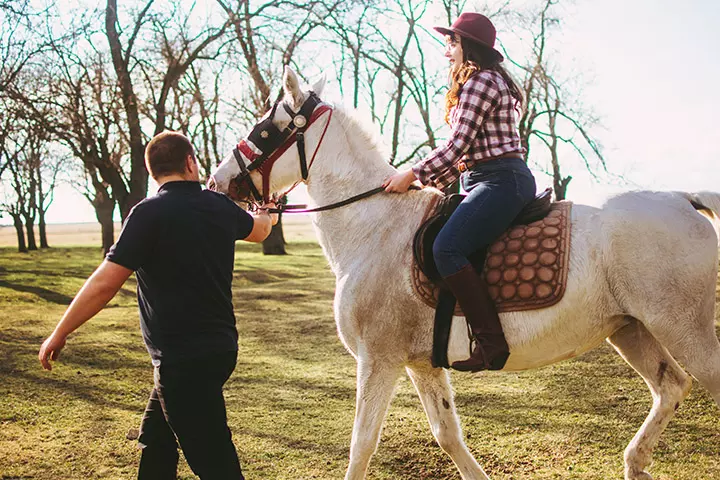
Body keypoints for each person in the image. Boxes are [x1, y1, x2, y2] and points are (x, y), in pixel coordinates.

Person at [38, 131, 278, 479]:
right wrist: (267, 212)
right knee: (157, 441)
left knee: (216, 465)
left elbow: (106, 282)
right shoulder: (218, 205)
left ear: (153, 173)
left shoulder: (148, 213)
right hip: (219, 351)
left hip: (181, 362)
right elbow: (260, 230)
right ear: (190, 163)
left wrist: (59, 332)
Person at [383, 12, 537, 372]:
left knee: (446, 248)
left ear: (469, 47)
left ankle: (491, 342)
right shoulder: (485, 81)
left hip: (500, 181)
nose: (446, 49)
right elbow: (463, 156)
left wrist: (411, 174)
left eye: (452, 42)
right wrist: (424, 184)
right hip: (483, 179)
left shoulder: (481, 82)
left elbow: (457, 146)